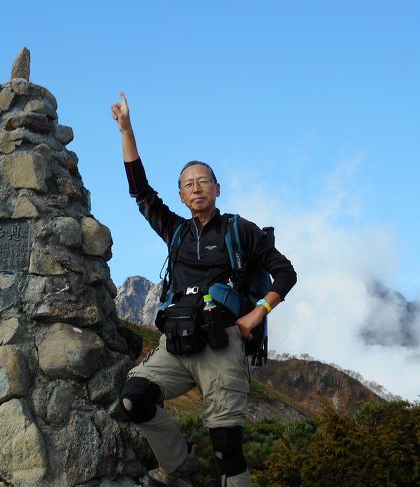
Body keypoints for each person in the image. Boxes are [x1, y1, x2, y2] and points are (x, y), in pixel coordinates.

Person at [111, 93, 297, 487]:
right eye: (188, 185)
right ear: (180, 195)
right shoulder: (176, 231)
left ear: (217, 188)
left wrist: (257, 311)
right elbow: (140, 191)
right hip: (175, 344)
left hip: (221, 344)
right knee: (134, 398)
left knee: (228, 452)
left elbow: (285, 273)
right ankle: (179, 466)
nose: (196, 189)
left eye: (203, 182)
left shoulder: (237, 230)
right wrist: (127, 130)